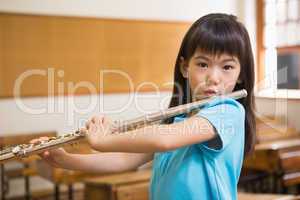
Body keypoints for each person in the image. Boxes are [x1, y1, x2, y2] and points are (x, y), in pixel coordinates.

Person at [32, 13, 256, 200]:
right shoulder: (180, 117)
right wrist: (65, 160)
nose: (213, 78)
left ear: (241, 75)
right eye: (203, 64)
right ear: (185, 67)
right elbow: (125, 159)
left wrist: (104, 140)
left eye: (227, 67)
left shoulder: (229, 111)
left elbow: (165, 139)